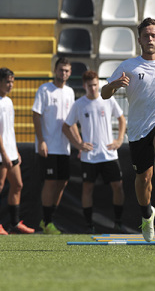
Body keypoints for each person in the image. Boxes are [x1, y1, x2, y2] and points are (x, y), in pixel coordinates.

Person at [101, 18, 155, 242]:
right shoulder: (128, 66)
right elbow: (103, 93)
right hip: (138, 128)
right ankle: (147, 214)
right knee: (143, 178)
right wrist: (113, 85)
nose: (150, 39)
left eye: (154, 35)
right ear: (139, 39)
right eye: (146, 35)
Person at [62, 70, 126, 233]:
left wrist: (119, 140)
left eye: (96, 85)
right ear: (84, 86)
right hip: (89, 156)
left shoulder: (108, 101)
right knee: (87, 188)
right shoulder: (79, 104)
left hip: (109, 153)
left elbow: (121, 119)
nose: (93, 88)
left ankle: (118, 221)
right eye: (90, 85)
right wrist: (79, 144)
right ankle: (89, 224)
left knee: (118, 186)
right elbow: (66, 126)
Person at [32, 57, 77, 234]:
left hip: (64, 147)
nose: (63, 73)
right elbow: (36, 115)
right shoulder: (44, 89)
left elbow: (71, 121)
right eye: (61, 70)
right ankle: (48, 222)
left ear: (70, 72)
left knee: (62, 182)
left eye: (66, 70)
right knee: (50, 182)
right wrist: (41, 140)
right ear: (55, 70)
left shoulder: (70, 92)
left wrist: (78, 143)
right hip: (49, 146)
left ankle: (47, 219)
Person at [0, 67, 35, 235]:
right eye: (7, 81)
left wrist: (14, 151)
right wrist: (5, 154)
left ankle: (14, 223)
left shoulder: (8, 101)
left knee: (18, 185)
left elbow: (9, 130)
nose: (10, 85)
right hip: (2, 155)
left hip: (10, 152)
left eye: (12, 81)